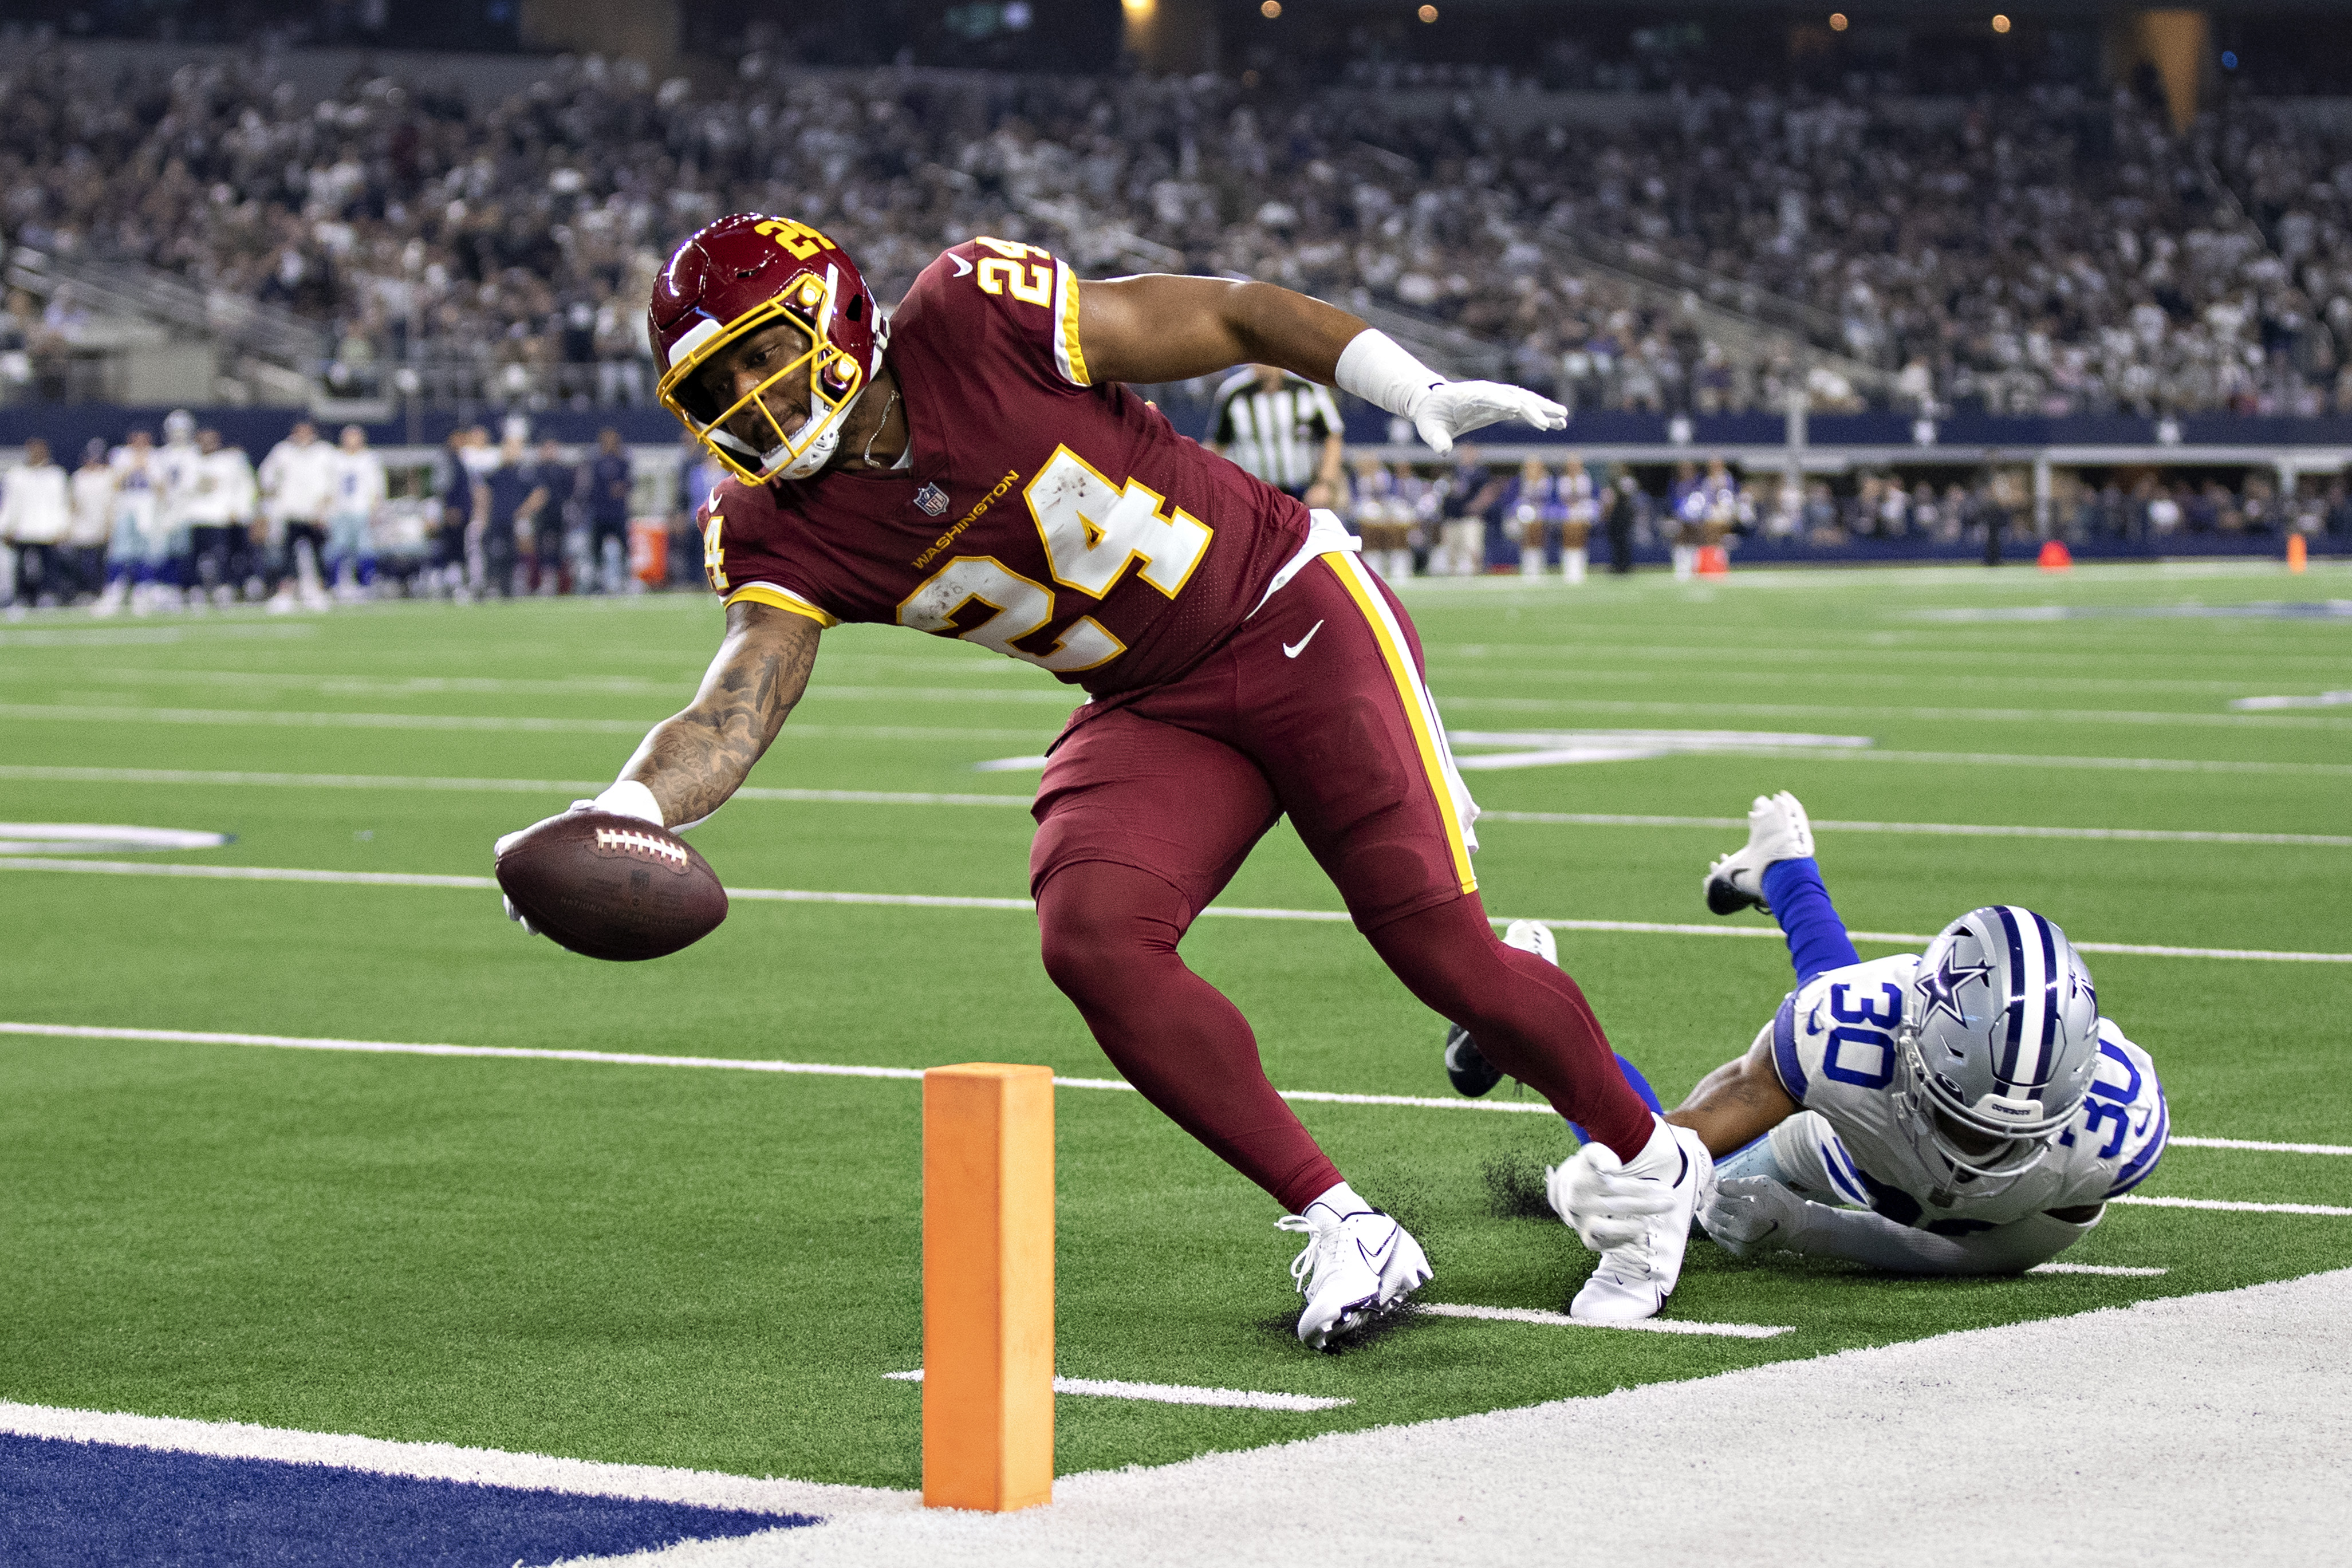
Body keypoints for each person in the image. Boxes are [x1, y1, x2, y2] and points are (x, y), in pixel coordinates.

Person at [496, 215, 1705, 1349]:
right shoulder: (777, 526)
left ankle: (1651, 1168)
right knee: (1092, 933)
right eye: (714, 390)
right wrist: (624, 810)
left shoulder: (973, 314)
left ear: (842, 315)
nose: (749, 400)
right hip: (1150, 699)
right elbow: (737, 702)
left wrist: (1410, 388)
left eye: (761, 355)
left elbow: (1230, 316)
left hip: (1291, 612)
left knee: (1437, 952)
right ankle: (1344, 1223)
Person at [1548, 792, 2168, 1304]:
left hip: (1875, 1103)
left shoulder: (2113, 1127)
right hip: (1845, 1148)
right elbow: (1686, 1134)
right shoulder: (1846, 1030)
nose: (1979, 1155)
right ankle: (1538, 1017)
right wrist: (1619, 1159)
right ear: (1913, 1048)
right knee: (1667, 1197)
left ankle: (1785, 866)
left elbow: (1991, 1252)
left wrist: (1808, 1226)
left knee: (1835, 1039)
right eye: (1962, 1121)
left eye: (2011, 1136)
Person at [1205, 362, 1344, 502]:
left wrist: (1325, 484)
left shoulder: (1308, 388)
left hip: (1302, 489)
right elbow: (1216, 446)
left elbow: (1333, 436)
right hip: (1255, 494)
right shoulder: (1232, 392)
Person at [259, 419, 338, 610]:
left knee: (319, 555)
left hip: (316, 514)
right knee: (287, 556)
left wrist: (326, 508)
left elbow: (334, 482)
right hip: (290, 513)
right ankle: (285, 594)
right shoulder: (283, 451)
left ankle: (319, 592)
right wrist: (273, 501)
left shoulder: (324, 452)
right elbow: (266, 476)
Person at [180, 428, 258, 608]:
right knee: (193, 557)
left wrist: (239, 510)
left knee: (222, 556)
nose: (208, 444)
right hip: (195, 518)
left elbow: (241, 487)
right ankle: (195, 590)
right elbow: (187, 486)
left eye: (212, 440)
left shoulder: (228, 461)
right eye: (204, 440)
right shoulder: (190, 460)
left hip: (218, 518)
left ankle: (223, 588)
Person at [93, 429, 165, 616]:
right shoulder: (120, 455)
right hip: (125, 508)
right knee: (119, 553)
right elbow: (115, 484)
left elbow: (161, 489)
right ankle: (114, 591)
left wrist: (148, 469)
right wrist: (132, 467)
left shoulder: (156, 457)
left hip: (148, 510)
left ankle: (143, 593)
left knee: (146, 553)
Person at [1, 436, 70, 609]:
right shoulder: (16, 475)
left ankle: (47, 596)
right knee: (22, 568)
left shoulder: (56, 475)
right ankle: (23, 598)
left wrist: (63, 527)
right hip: (23, 531)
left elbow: (61, 503)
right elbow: (11, 504)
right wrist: (5, 528)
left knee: (49, 569)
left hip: (47, 531)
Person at [478, 434, 546, 599]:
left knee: (517, 555)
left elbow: (540, 493)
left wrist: (525, 511)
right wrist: (483, 516)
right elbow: (483, 493)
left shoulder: (525, 472)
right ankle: (494, 585)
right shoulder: (496, 472)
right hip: (497, 521)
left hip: (516, 523)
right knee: (495, 555)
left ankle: (520, 586)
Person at [325, 424, 387, 601]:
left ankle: (366, 585)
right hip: (340, 511)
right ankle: (337, 585)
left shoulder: (369, 458)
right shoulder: (335, 458)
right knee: (338, 549)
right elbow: (329, 486)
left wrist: (376, 510)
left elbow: (377, 487)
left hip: (362, 511)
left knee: (365, 549)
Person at [585, 428, 636, 594]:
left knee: (624, 550)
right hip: (600, 513)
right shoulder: (595, 463)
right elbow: (589, 488)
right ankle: (599, 583)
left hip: (617, 513)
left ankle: (625, 581)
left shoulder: (623, 462)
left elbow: (630, 483)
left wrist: (622, 488)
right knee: (597, 552)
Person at [64, 439, 115, 603]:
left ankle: (98, 593)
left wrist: (109, 525)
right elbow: (73, 503)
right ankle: (81, 593)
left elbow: (112, 504)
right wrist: (70, 525)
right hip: (82, 529)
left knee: (99, 564)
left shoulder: (108, 476)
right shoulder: (79, 477)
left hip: (101, 528)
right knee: (80, 565)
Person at [524, 437, 576, 594]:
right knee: (539, 549)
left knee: (561, 550)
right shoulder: (536, 470)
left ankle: (561, 584)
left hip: (559, 515)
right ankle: (541, 583)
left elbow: (570, 493)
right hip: (541, 516)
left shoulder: (563, 470)